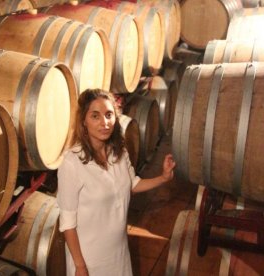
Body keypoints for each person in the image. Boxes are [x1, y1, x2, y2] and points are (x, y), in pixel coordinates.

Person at [57, 89, 175, 276]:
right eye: (95, 116)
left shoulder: (119, 153)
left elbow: (132, 185)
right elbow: (68, 223)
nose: (104, 123)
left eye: (109, 115)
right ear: (83, 122)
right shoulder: (72, 163)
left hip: (118, 252)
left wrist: (163, 178)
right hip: (89, 258)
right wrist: (79, 266)